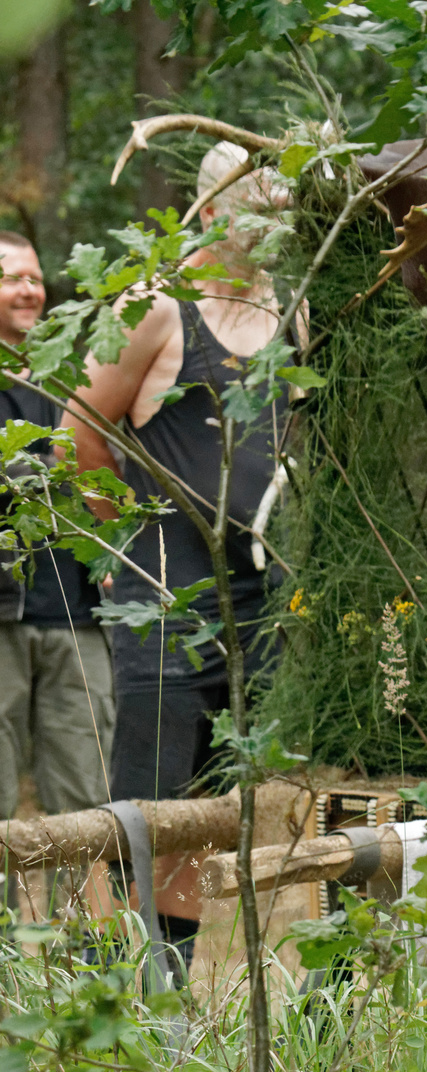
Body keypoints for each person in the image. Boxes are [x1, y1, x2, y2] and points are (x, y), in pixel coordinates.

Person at [61, 144, 292, 962]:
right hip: (165, 599)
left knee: (220, 807)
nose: (270, 228)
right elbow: (78, 432)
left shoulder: (297, 312)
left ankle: (174, 999)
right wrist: (116, 549)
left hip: (266, 602)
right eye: (253, 211)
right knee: (153, 808)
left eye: (281, 211)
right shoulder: (158, 308)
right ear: (209, 212)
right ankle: (122, 989)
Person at [0, 231, 116, 835]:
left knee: (86, 799)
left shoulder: (78, 372)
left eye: (34, 278)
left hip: (78, 613)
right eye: (10, 278)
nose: (28, 291)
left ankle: (85, 933)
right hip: (2, 616)